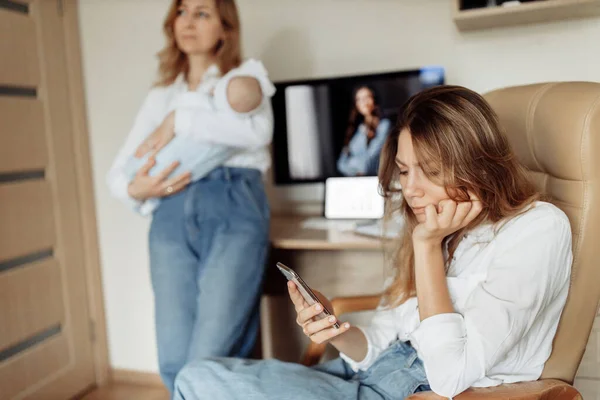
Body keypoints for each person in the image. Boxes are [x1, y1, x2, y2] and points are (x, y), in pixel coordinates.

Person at [171, 86, 573, 400]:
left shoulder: (537, 229)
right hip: (366, 377)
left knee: (197, 382)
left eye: (429, 171)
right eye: (403, 170)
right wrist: (334, 331)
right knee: (202, 375)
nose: (410, 189)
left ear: (476, 163)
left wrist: (427, 249)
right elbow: (380, 342)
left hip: (413, 393)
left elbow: (451, 376)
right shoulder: (438, 224)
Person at [106, 0, 275, 394]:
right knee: (173, 353)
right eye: (182, 11)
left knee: (211, 353)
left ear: (225, 28)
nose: (188, 21)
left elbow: (255, 133)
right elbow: (118, 173)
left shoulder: (243, 81)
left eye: (202, 13)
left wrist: (180, 121)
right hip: (170, 212)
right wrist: (137, 189)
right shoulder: (161, 95)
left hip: (234, 202)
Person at [337, 86, 392, 177]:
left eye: (367, 97)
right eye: (359, 99)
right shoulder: (356, 129)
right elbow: (341, 164)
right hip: (356, 183)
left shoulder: (384, 125)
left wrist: (351, 162)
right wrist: (357, 167)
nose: (363, 102)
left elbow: (367, 165)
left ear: (374, 99)